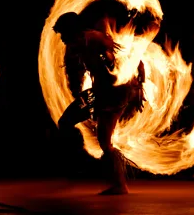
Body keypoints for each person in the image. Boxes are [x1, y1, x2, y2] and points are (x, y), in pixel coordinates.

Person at [54, 10, 145, 195]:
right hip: (98, 94)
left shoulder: (96, 41)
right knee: (66, 122)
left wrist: (138, 86)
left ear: (73, 31)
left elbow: (128, 59)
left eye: (64, 34)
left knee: (105, 140)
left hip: (114, 94)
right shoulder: (80, 45)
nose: (62, 39)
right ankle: (82, 168)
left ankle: (119, 184)